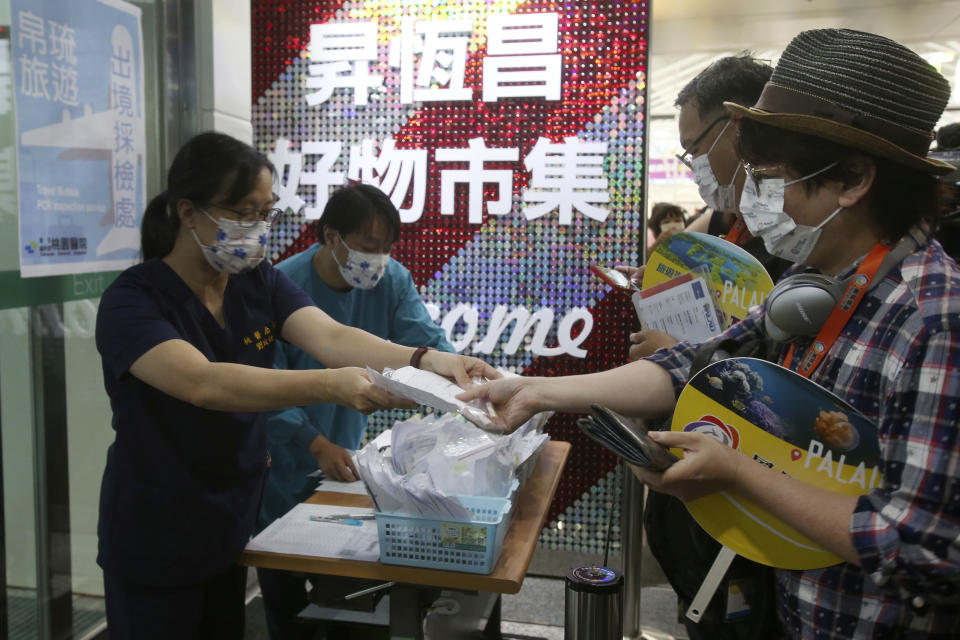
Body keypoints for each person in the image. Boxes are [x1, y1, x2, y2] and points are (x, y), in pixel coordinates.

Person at [460, 29, 960, 638]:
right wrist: (535, 390)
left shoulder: (932, 319)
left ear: (853, 179)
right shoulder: (815, 285)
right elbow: (695, 363)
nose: (756, 198)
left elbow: (921, 550)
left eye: (772, 177)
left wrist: (737, 472)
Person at [94, 132, 497, 640]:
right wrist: (330, 385)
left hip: (229, 523)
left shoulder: (254, 281)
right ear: (188, 212)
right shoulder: (132, 303)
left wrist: (430, 358)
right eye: (244, 212)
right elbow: (204, 383)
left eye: (265, 213)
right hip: (158, 532)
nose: (258, 229)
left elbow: (331, 335)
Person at [255, 184, 455, 640]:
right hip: (280, 465)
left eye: (386, 248)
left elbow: (423, 342)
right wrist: (314, 442)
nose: (378, 259)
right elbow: (264, 385)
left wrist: (461, 379)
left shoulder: (392, 280)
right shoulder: (283, 285)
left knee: (355, 605)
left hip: (343, 462)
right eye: (368, 247)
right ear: (331, 236)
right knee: (288, 607)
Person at [622, 54, 783, 361]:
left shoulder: (796, 237)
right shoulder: (737, 221)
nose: (694, 166)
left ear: (737, 127)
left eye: (694, 149)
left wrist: (678, 354)